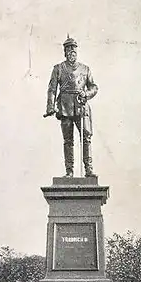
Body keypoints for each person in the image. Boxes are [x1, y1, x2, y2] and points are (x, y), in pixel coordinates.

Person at [44, 36, 98, 177]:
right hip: (65, 106)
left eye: (73, 49)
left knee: (86, 137)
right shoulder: (58, 69)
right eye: (68, 49)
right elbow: (52, 88)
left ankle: (89, 169)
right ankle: (69, 171)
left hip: (81, 106)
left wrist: (86, 93)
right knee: (68, 140)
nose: (71, 51)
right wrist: (50, 106)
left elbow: (94, 87)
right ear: (65, 52)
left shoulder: (85, 69)